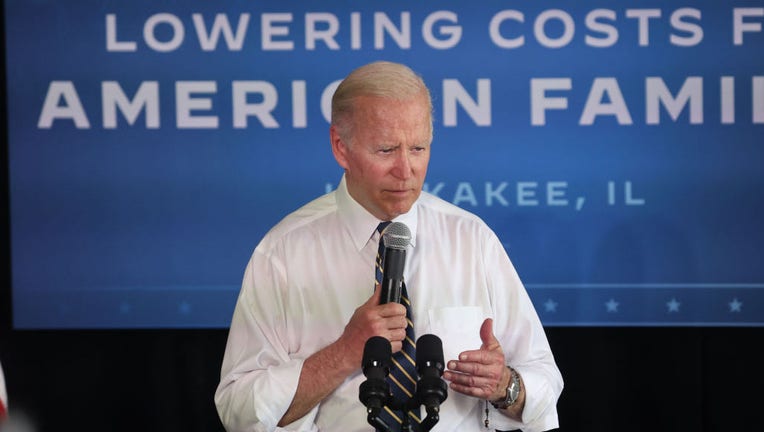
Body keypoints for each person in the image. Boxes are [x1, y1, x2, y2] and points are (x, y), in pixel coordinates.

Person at [215, 61, 563, 432]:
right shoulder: (283, 253)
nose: (405, 169)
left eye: (418, 148)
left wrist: (504, 386)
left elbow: (544, 382)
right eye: (385, 150)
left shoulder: (471, 239)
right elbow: (239, 409)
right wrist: (344, 353)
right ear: (340, 148)